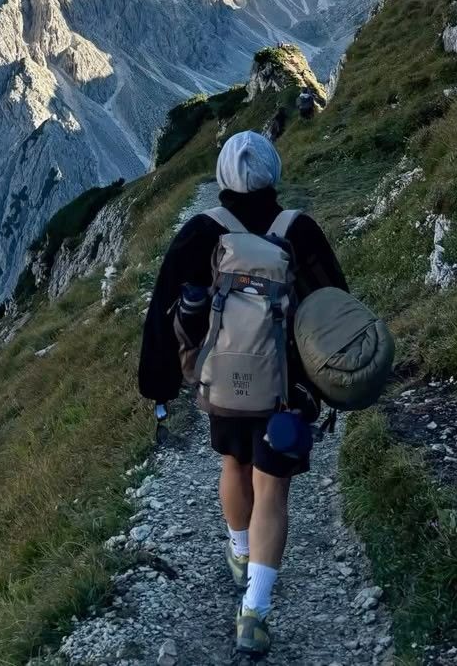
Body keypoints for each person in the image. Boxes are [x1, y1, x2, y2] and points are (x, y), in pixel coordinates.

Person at [138, 130, 347, 657]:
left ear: (223, 178)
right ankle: (254, 610)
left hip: (225, 382)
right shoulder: (299, 229)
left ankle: (238, 551)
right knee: (272, 491)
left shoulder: (202, 231)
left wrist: (158, 384)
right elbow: (335, 305)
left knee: (233, 463)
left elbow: (162, 311)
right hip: (288, 388)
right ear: (273, 172)